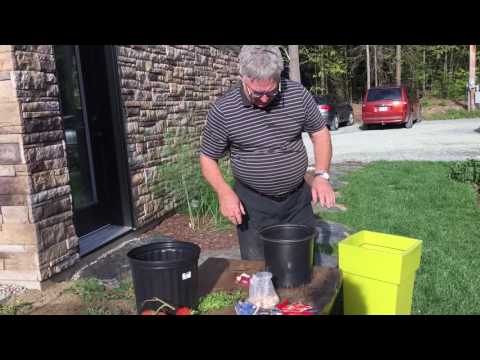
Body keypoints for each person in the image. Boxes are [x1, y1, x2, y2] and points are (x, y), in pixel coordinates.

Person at [199, 45, 336, 260]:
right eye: (257, 94)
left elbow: (320, 133)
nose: (264, 99)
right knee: (259, 271)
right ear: (243, 78)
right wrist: (224, 192)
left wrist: (321, 175)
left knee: (303, 264)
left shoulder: (297, 95)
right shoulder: (224, 110)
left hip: (297, 201)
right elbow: (207, 157)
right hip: (253, 207)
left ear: (279, 76)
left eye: (271, 92)